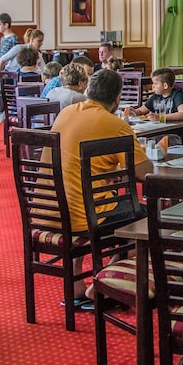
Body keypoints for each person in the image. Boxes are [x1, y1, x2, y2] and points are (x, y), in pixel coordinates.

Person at [49, 69, 148, 307]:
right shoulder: (115, 124)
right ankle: (104, 284)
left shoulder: (65, 113)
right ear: (117, 98)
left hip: (52, 210)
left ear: (87, 90)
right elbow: (145, 173)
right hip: (88, 217)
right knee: (144, 217)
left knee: (116, 204)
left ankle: (76, 285)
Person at [0, 29, 46, 151]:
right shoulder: (19, 48)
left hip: (24, 84)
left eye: (42, 41)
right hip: (10, 81)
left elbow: (44, 70)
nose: (40, 44)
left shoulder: (38, 54)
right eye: (39, 41)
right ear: (31, 39)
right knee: (0, 109)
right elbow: (3, 59)